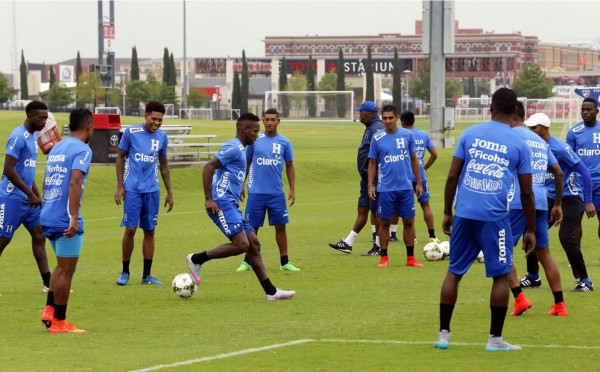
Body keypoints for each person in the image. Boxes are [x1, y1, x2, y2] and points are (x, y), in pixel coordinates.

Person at [434, 88, 535, 352]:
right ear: (515, 111)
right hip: (495, 218)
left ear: (490, 107)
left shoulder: (470, 134)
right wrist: (531, 229)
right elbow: (526, 191)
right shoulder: (518, 143)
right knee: (501, 276)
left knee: (454, 272)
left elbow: (452, 177)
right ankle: (495, 340)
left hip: (465, 214)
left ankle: (443, 335)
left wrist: (447, 212)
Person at [186, 113, 296, 300]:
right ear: (244, 130)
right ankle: (196, 259)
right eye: (255, 131)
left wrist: (239, 188)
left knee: (253, 244)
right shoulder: (233, 147)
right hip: (220, 203)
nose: (257, 134)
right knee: (242, 244)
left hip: (231, 203)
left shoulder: (243, 148)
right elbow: (208, 167)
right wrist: (209, 199)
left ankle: (271, 292)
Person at [524, 112, 596, 292]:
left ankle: (585, 281)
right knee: (530, 233)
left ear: (545, 128)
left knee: (566, 237)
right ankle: (533, 276)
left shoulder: (559, 148)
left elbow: (584, 172)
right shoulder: (533, 146)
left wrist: (588, 200)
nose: (530, 130)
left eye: (534, 127)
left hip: (569, 197)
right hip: (548, 198)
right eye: (529, 127)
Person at [506, 107, 567, 317]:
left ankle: (519, 299)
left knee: (501, 250)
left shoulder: (511, 135)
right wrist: (558, 204)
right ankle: (560, 305)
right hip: (540, 202)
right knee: (544, 253)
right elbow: (558, 173)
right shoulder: (541, 142)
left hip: (517, 201)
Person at [40, 108, 94, 333]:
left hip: (48, 213)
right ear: (89, 127)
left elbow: (47, 180)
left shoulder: (57, 147)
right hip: (64, 217)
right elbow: (75, 181)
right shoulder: (82, 150)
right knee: (66, 270)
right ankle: (60, 323)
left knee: (60, 267)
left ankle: (50, 310)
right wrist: (73, 217)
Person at [114, 100, 174, 286]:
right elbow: (120, 157)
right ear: (146, 116)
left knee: (150, 230)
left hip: (152, 190)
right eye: (153, 119)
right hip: (132, 189)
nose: (156, 122)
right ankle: (125, 272)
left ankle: (147, 276)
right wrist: (120, 186)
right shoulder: (131, 133)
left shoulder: (162, 137)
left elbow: (163, 164)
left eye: (160, 120)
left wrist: (169, 192)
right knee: (130, 229)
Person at [235, 108, 299, 272]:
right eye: (267, 119)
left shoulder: (284, 142)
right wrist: (241, 184)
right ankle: (247, 261)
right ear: (263, 121)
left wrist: (292, 189)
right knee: (251, 228)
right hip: (256, 193)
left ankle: (285, 262)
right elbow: (247, 163)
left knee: (281, 227)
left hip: (276, 193)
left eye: (273, 119)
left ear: (278, 121)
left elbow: (290, 166)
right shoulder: (255, 140)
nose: (270, 122)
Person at [0, 101, 52, 292]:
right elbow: (8, 169)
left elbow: (26, 171)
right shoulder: (18, 137)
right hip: (11, 198)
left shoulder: (32, 138)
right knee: (2, 240)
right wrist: (29, 193)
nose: (45, 122)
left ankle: (48, 282)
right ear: (30, 116)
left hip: (28, 200)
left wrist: (37, 196)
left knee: (39, 236)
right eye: (42, 118)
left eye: (46, 118)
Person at [367, 104, 424, 268]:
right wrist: (370, 185)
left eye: (391, 118)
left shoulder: (407, 135)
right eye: (384, 118)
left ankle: (411, 258)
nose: (388, 121)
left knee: (408, 222)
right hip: (385, 189)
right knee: (384, 222)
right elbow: (372, 162)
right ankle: (384, 258)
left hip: (405, 188)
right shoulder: (377, 138)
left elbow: (414, 159)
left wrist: (418, 183)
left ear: (397, 118)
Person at [329, 101, 384, 256]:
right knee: (363, 209)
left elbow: (381, 152)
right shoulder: (370, 128)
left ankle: (379, 247)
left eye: (360, 112)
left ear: (366, 114)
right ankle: (348, 243)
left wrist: (375, 177)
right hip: (366, 178)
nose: (359, 114)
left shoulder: (377, 128)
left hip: (374, 178)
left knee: (375, 212)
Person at [565, 97, 600, 292]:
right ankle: (575, 256)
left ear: (596, 111)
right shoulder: (574, 132)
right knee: (575, 222)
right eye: (583, 109)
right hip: (578, 183)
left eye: (589, 109)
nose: (585, 112)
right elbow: (568, 158)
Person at [399, 110, 439, 244]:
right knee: (425, 205)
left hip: (405, 177)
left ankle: (413, 237)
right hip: (420, 177)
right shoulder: (423, 135)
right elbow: (434, 154)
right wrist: (425, 167)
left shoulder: (402, 135)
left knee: (409, 207)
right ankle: (432, 236)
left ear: (402, 122)